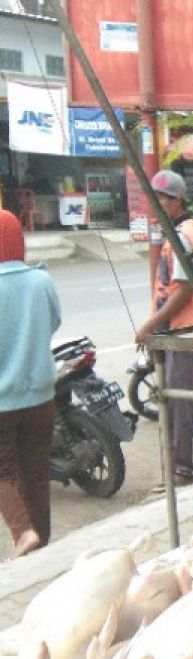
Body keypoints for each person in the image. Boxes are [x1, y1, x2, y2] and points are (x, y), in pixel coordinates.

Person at [134, 170, 193, 485]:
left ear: (174, 200)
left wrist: (150, 325)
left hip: (186, 330)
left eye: (158, 201)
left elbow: (184, 290)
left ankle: (182, 471)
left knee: (181, 402)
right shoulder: (189, 231)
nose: (154, 208)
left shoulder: (183, 235)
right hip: (192, 329)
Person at [0, 210, 61, 558]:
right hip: (40, 396)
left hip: (2, 403)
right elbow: (53, 323)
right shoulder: (41, 282)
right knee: (36, 473)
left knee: (3, 470)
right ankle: (42, 547)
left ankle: (23, 533)